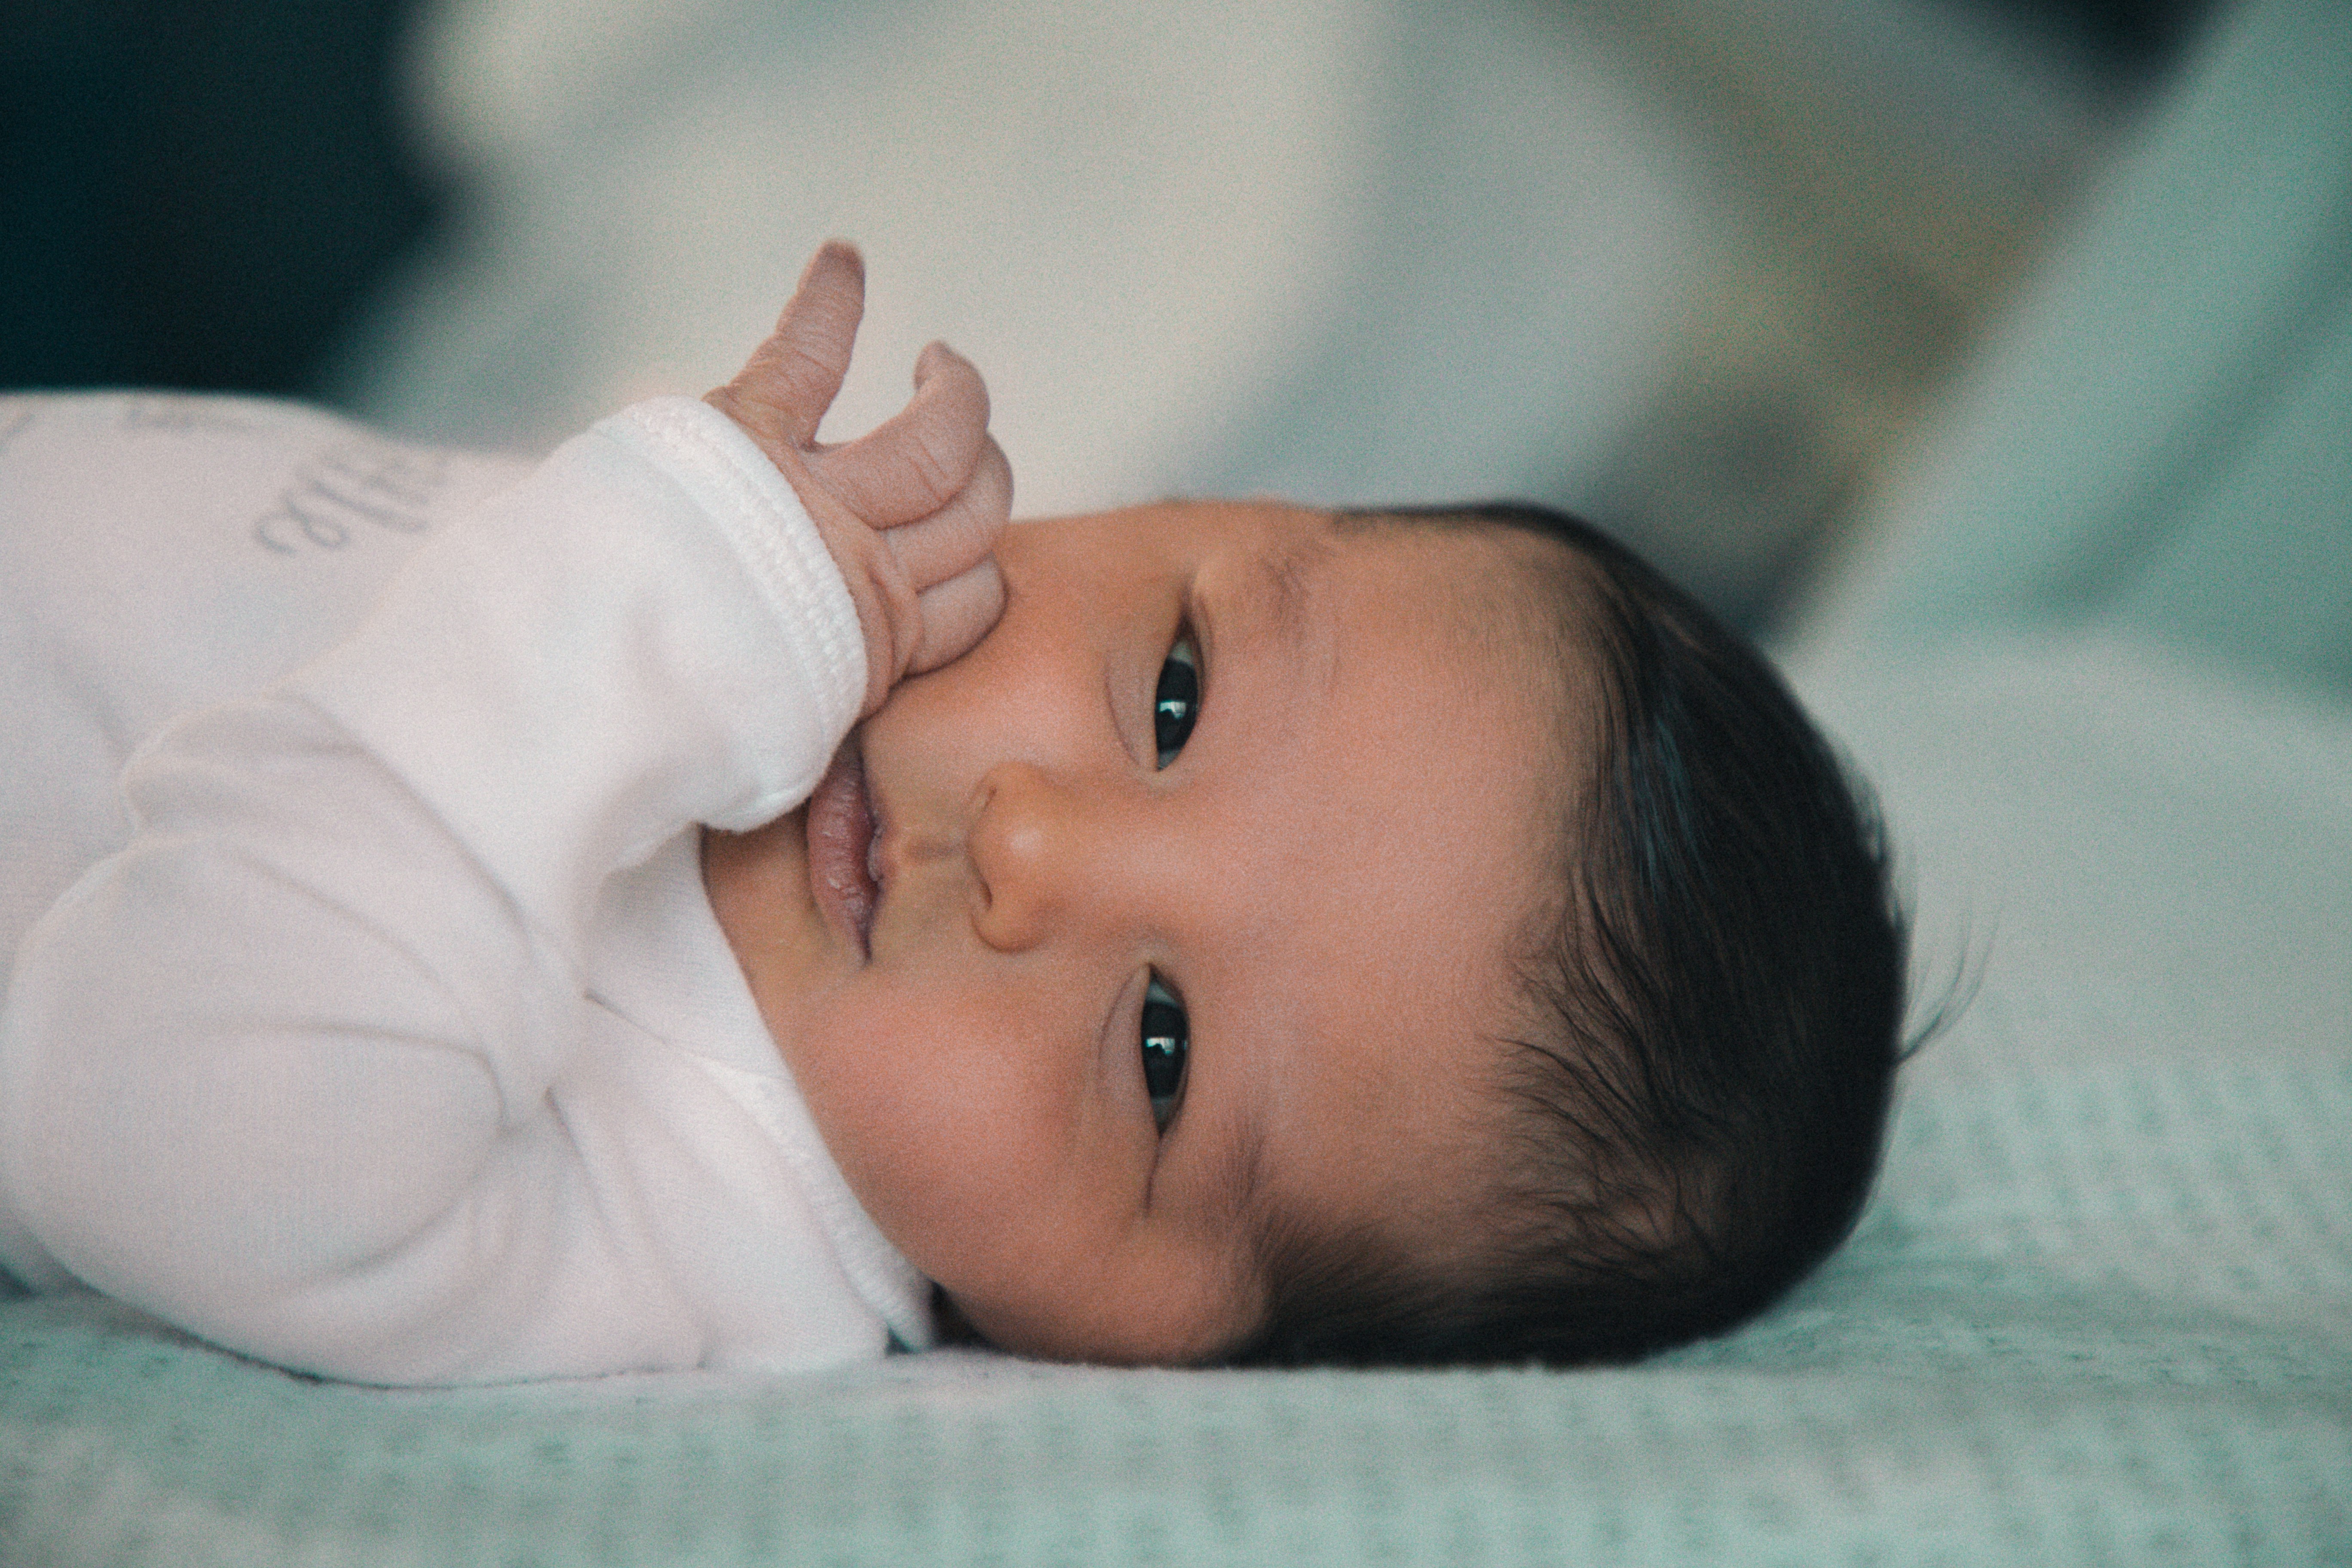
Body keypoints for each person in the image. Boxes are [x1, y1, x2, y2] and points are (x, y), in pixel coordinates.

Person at [0, 243, 1905, 1383]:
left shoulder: (692, 1225)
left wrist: (640, 601)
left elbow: (147, 1115)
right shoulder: (791, 625)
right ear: (1187, 507)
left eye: (1164, 1053)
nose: (1031, 849)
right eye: (1176, 695)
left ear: (1162, 1346)